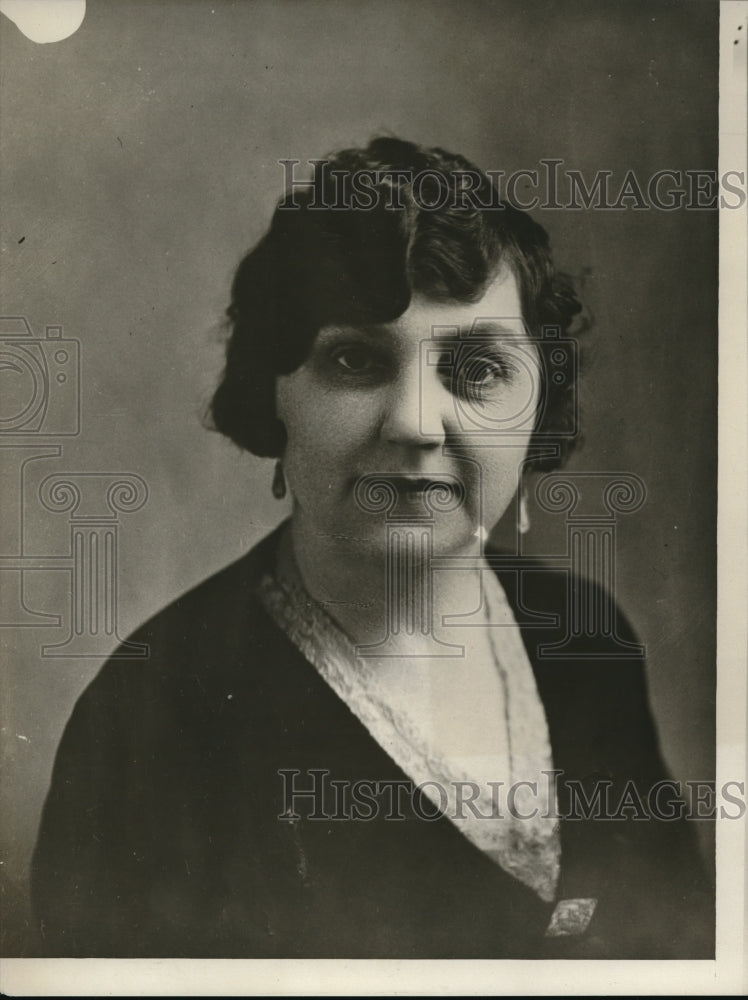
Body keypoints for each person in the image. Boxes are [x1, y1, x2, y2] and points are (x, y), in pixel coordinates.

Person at [31, 137, 713, 958]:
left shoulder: (585, 636)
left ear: (541, 404)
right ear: (272, 392)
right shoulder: (150, 725)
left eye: (477, 369)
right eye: (354, 359)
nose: (416, 423)